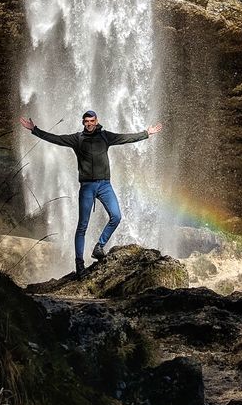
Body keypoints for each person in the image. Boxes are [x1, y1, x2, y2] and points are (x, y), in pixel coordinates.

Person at [20, 109, 162, 278]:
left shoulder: (105, 136)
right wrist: (34, 129)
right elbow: (56, 139)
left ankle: (99, 246)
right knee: (82, 226)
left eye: (92, 121)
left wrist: (146, 133)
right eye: (86, 121)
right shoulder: (77, 139)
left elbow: (125, 138)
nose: (89, 124)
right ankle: (79, 265)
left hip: (105, 185)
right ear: (83, 122)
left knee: (116, 216)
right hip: (87, 186)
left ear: (96, 121)